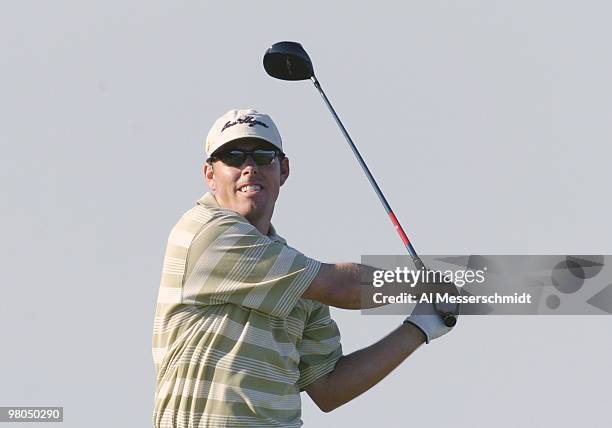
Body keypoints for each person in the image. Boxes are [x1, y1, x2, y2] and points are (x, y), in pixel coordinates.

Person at [152, 109, 456, 428]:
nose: (249, 167)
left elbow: (329, 388)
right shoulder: (206, 232)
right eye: (233, 156)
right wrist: (422, 283)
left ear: (282, 169)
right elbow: (343, 288)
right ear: (210, 175)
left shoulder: (297, 276)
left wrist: (421, 326)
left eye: (262, 155)